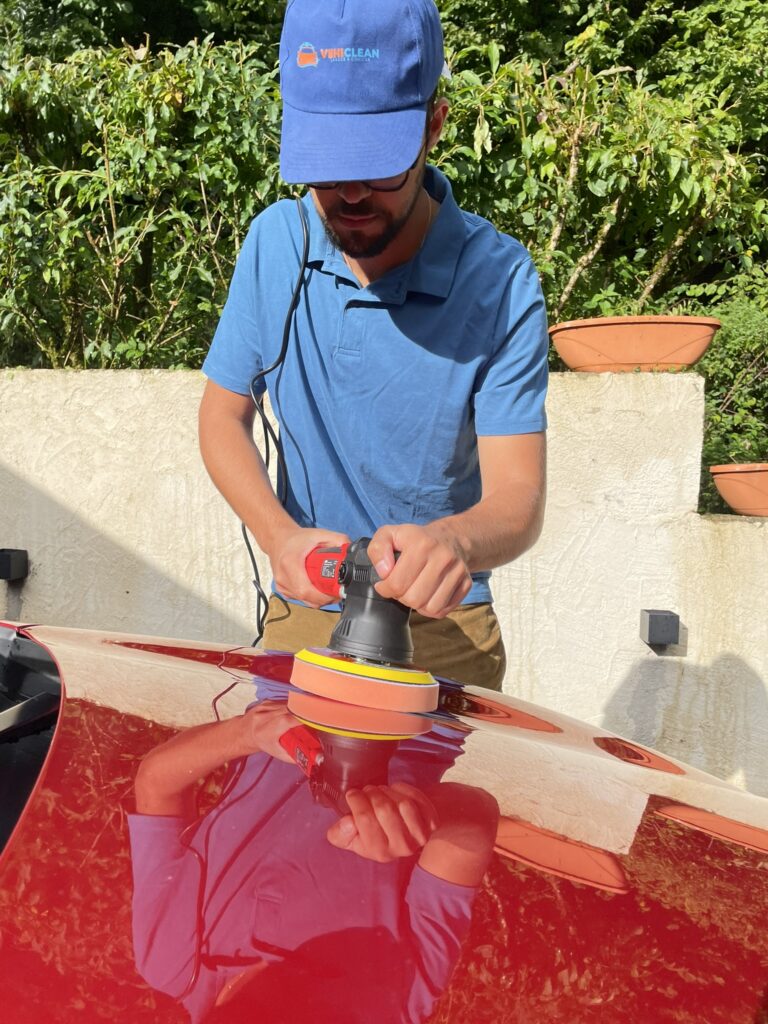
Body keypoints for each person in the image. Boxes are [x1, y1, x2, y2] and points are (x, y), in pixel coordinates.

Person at [198, 0, 549, 691]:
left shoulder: (500, 278)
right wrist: (279, 538)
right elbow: (221, 417)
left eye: (379, 167)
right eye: (328, 168)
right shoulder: (275, 243)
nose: (353, 194)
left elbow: (519, 497)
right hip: (306, 607)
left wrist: (453, 543)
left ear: (433, 126)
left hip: (446, 626)